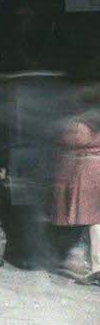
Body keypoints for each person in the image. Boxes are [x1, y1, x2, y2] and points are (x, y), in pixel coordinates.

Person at [50, 89, 100, 283]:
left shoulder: (79, 123)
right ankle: (93, 263)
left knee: (89, 220)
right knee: (95, 221)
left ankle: (91, 265)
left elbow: (67, 139)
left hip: (86, 172)